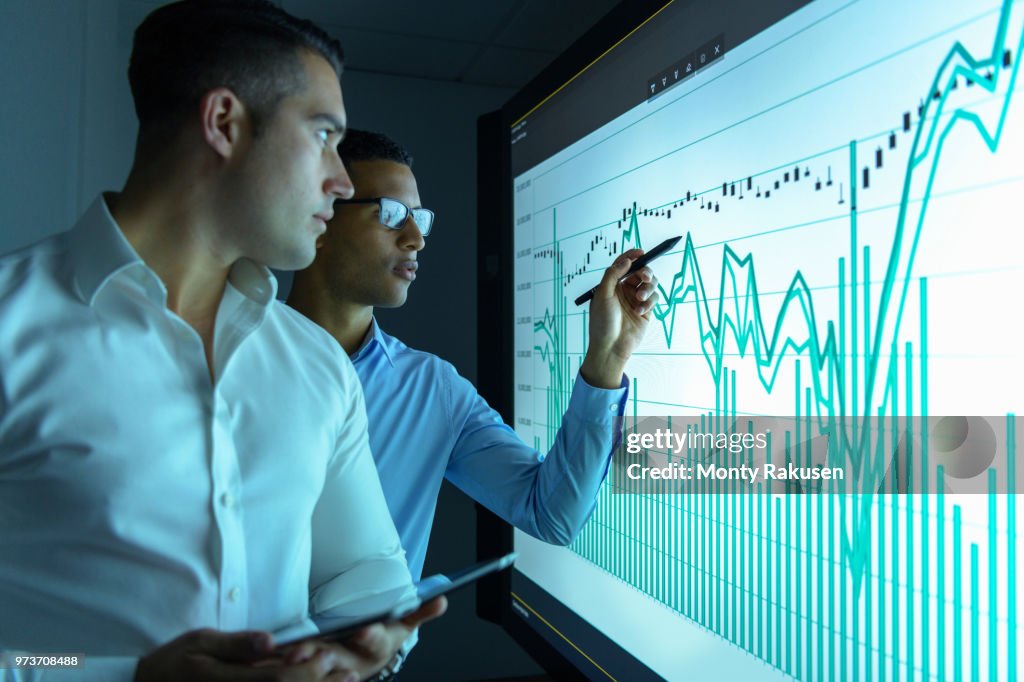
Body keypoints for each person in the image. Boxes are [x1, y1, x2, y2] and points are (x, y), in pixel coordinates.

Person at [0, 3, 441, 681]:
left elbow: (364, 566)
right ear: (225, 123)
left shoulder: (317, 363)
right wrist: (117, 676)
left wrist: (374, 634)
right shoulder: (9, 325)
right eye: (324, 135)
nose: (343, 180)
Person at [288, 130, 658, 588]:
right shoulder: (225, 358)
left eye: (419, 219)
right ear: (319, 217)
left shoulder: (433, 391)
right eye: (389, 215)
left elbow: (554, 516)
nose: (415, 240)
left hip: (364, 660)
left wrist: (606, 358)